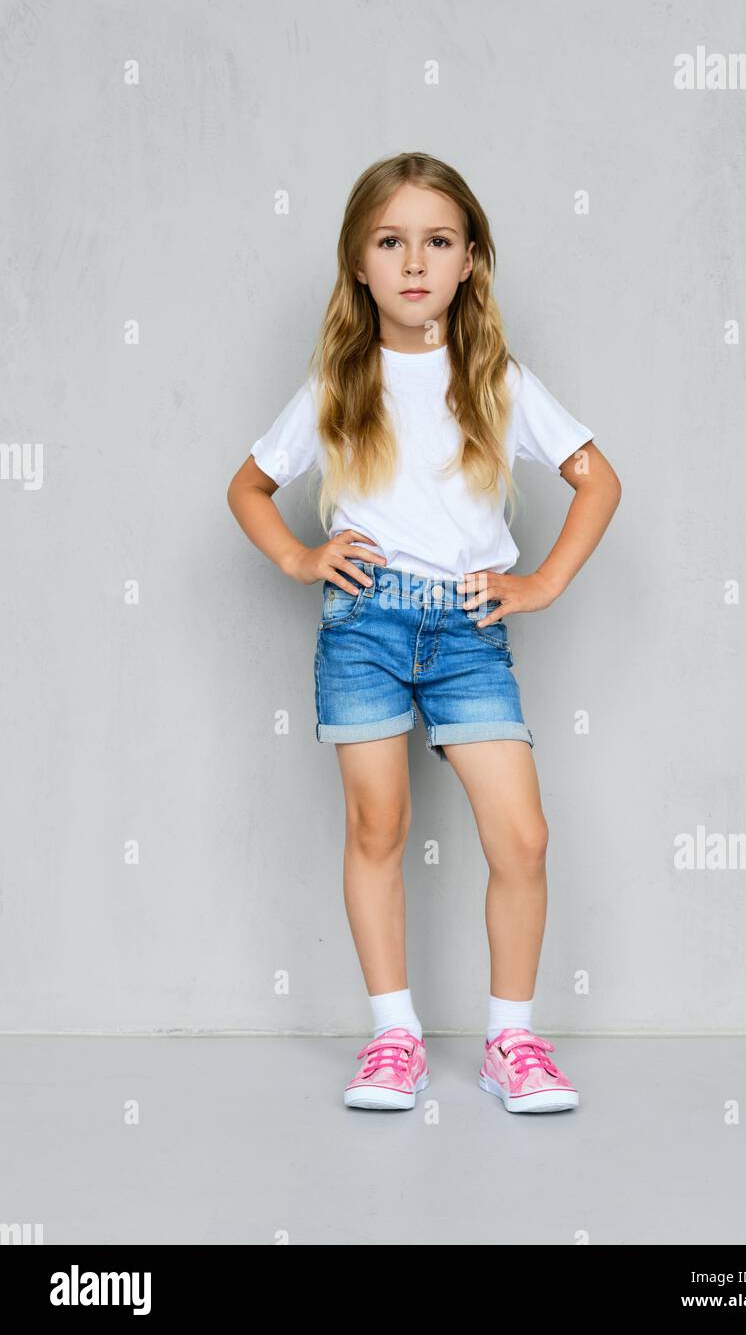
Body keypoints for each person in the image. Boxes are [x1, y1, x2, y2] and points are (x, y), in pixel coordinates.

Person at [227, 152, 621, 1114]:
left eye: (437, 242)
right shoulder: (338, 381)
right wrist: (299, 559)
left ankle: (510, 1042)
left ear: (471, 260)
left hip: (467, 632)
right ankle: (394, 1037)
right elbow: (249, 487)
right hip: (363, 625)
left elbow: (597, 480)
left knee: (520, 839)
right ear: (358, 263)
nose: (415, 262)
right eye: (391, 241)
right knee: (378, 826)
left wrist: (541, 583)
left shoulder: (497, 379)